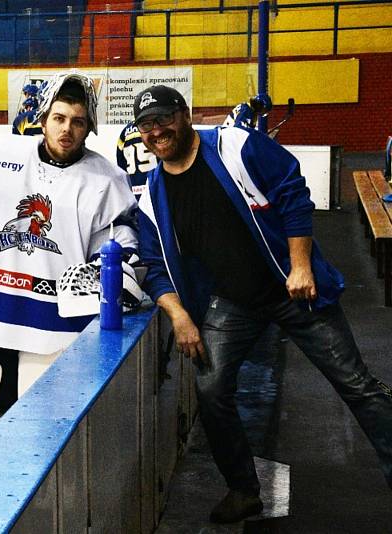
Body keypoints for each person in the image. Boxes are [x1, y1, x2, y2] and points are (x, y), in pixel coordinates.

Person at [134, 84, 392, 523]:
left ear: (184, 113)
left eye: (164, 118)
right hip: (232, 304)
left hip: (293, 292)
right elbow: (155, 266)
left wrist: (301, 265)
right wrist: (179, 315)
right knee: (211, 389)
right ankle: (243, 490)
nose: (157, 130)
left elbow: (292, 190)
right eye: (146, 125)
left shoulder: (233, 146)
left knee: (357, 385)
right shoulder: (152, 195)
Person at [0, 71, 139, 414]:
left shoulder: (106, 181)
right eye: (59, 118)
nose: (67, 129)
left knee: (41, 435)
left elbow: (119, 251)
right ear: (43, 118)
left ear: (89, 127)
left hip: (56, 334)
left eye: (77, 122)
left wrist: (110, 275)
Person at [115, 119, 157, 200]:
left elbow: (120, 163)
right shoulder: (158, 127)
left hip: (134, 192)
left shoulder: (125, 131)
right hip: (157, 189)